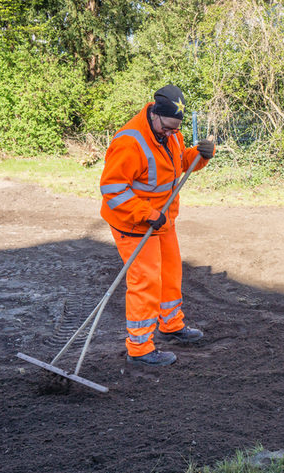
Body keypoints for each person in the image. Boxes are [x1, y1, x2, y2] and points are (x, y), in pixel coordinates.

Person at [99, 85, 216, 367]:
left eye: (176, 130)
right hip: (135, 223)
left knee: (171, 273)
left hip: (163, 219)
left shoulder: (171, 132)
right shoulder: (129, 142)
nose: (172, 134)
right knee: (145, 282)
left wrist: (200, 156)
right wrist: (145, 213)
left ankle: (171, 324)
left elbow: (177, 166)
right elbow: (112, 189)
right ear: (154, 114)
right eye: (167, 128)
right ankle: (139, 348)